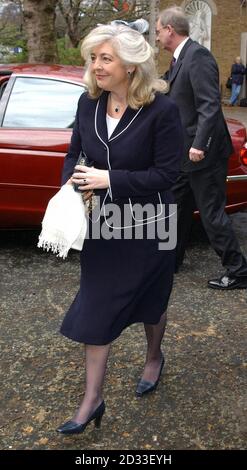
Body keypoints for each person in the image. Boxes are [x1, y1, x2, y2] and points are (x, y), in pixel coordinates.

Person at [56, 23, 183, 435]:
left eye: (105, 58)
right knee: (97, 305)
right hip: (104, 226)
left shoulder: (162, 111)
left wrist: (109, 179)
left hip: (150, 226)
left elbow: (168, 174)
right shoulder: (87, 103)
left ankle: (153, 356)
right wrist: (69, 189)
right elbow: (76, 150)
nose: (96, 66)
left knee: (152, 303)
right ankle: (92, 399)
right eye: (93, 58)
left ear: (131, 65)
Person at [156, 6, 247, 290]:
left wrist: (199, 146)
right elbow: (169, 90)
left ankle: (239, 270)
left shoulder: (198, 56)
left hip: (203, 154)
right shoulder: (178, 59)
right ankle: (171, 260)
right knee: (177, 205)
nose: (157, 36)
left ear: (170, 30)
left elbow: (209, 105)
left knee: (211, 214)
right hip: (185, 153)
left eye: (158, 31)